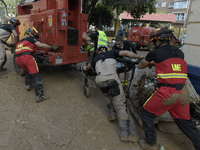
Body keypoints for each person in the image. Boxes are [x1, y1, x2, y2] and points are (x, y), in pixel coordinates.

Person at [137, 27, 200, 150]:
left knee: (145, 114)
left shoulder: (154, 53)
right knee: (185, 123)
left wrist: (150, 61)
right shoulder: (180, 53)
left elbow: (140, 66)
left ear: (158, 41)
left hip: (167, 93)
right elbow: (171, 65)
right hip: (183, 93)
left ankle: (150, 144)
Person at [83, 46, 143, 142]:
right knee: (120, 105)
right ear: (107, 50)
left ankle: (111, 114)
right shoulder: (112, 53)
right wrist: (139, 57)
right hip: (112, 79)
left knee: (106, 95)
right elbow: (126, 53)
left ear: (98, 52)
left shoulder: (95, 58)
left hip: (99, 80)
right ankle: (125, 134)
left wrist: (84, 67)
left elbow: (87, 67)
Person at [15, 27, 59, 102]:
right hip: (27, 57)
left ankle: (27, 85)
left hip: (17, 59)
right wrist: (51, 47)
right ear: (31, 34)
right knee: (35, 75)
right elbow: (41, 45)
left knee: (28, 71)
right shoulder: (32, 38)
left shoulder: (21, 41)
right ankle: (39, 95)